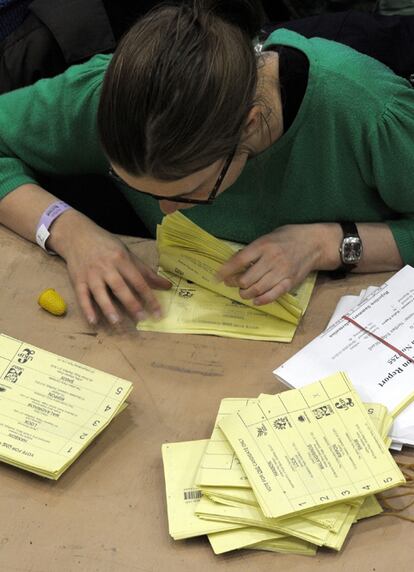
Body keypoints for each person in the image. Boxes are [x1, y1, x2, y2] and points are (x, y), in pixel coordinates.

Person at [0, 0, 413, 329]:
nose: (165, 211)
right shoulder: (109, 95)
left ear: (248, 126)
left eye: (189, 191)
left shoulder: (370, 111)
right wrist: (68, 229)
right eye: (136, 185)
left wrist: (329, 243)